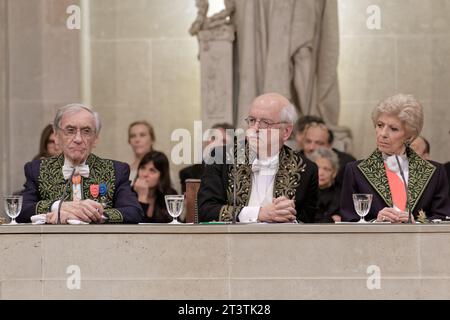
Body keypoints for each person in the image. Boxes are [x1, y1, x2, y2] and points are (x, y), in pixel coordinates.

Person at [197, 93, 318, 223]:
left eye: (265, 123)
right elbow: (205, 210)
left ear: (286, 131)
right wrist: (259, 213)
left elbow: (310, 222)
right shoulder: (221, 157)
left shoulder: (306, 169)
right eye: (252, 120)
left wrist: (290, 216)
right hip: (231, 241)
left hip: (281, 242)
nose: (255, 128)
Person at [19, 104, 144, 224]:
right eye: (70, 130)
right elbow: (20, 211)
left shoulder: (117, 170)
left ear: (95, 139)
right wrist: (58, 207)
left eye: (86, 131)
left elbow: (133, 212)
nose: (78, 139)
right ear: (56, 136)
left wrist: (92, 216)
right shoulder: (37, 169)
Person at [340, 94, 450, 223]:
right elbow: (348, 220)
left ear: (409, 136)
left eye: (393, 129)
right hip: (373, 242)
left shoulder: (435, 172)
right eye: (380, 125)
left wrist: (418, 222)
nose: (383, 134)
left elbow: (444, 219)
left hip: (419, 242)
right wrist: (376, 222)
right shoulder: (355, 171)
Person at [179, 122, 234, 193]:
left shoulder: (236, 175)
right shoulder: (188, 174)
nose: (216, 144)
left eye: (224, 141)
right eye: (214, 138)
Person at [301, 121, 356, 187]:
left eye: (319, 143)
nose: (311, 147)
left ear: (330, 146)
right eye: (308, 141)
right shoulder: (293, 159)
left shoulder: (346, 163)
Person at [133, 151, 178, 223]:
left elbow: (176, 226)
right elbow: (134, 228)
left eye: (152, 170)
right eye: (142, 168)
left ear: (162, 176)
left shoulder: (170, 195)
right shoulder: (127, 194)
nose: (145, 174)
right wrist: (141, 197)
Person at [307, 147, 341, 223]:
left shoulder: (342, 196)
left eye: (326, 169)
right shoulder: (304, 194)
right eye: (317, 168)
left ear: (334, 173)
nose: (321, 173)